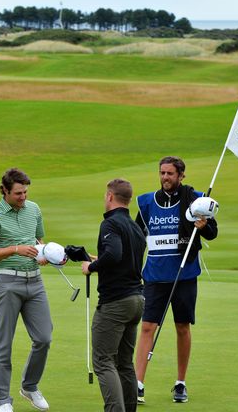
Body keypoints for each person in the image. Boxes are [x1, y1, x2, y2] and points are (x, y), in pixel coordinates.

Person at [134, 156, 218, 404]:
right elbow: (138, 237)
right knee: (148, 327)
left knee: (182, 327)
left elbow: (212, 233)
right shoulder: (147, 203)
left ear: (181, 175)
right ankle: (137, 383)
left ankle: (180, 383)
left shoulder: (196, 200)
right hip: (155, 275)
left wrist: (203, 226)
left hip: (184, 275)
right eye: (162, 173)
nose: (165, 178)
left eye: (170, 174)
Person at [0, 168, 52, 412]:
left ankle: (29, 386)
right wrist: (15, 249)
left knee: (44, 338)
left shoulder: (34, 209)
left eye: (25, 192)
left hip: (35, 282)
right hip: (7, 283)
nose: (23, 197)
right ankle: (3, 401)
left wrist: (44, 254)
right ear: (5, 191)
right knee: (4, 344)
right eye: (18, 193)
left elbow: (39, 240)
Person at [81, 179, 147, 412]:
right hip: (136, 300)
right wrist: (97, 259)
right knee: (124, 363)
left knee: (103, 362)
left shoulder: (110, 224)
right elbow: (121, 258)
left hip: (115, 302)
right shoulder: (135, 227)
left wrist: (92, 267)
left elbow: (114, 254)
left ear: (110, 196)